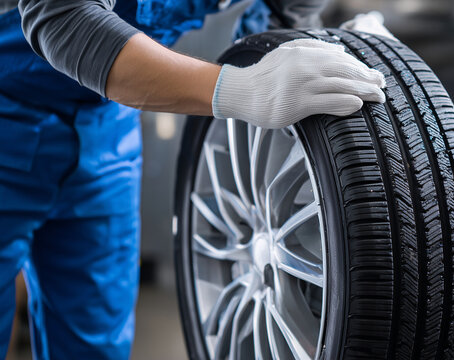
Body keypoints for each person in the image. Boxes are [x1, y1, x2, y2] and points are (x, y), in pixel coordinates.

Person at [0, 0, 389, 359]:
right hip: (7, 111)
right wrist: (235, 88)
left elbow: (282, 27)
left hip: (107, 131)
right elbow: (63, 16)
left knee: (94, 337)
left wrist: (336, 50)